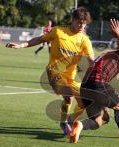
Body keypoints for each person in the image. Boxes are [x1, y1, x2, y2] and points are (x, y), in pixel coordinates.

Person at [6, 7, 95, 135]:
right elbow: (40, 39)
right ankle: (65, 123)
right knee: (69, 96)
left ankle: (67, 120)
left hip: (70, 77)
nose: (82, 26)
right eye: (79, 23)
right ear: (73, 20)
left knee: (86, 102)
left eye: (85, 24)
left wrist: (99, 71)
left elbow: (92, 59)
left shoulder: (85, 40)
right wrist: (21, 45)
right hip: (54, 72)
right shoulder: (58, 31)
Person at [69, 19, 119, 144]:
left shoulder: (108, 56)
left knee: (98, 121)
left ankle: (80, 125)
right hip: (97, 85)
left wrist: (104, 107)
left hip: (85, 87)